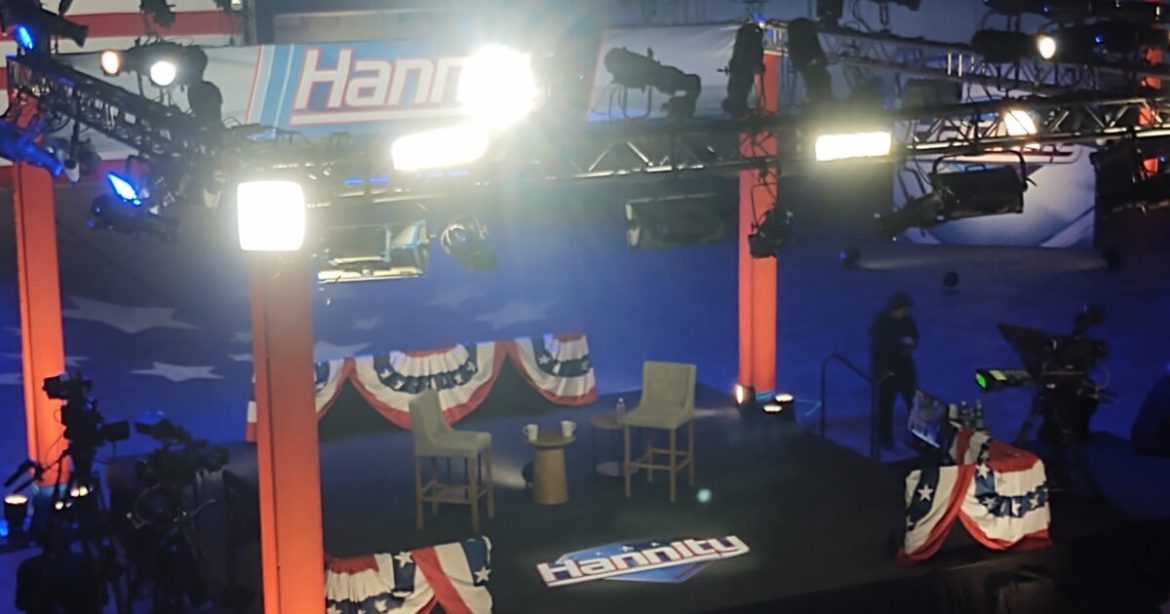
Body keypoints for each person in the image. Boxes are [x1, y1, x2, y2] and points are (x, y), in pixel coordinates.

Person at [870, 292, 919, 450]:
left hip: (904, 369)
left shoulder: (907, 320)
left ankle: (918, 436)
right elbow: (881, 348)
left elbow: (915, 336)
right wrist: (900, 343)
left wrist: (911, 343)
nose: (906, 312)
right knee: (886, 406)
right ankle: (885, 438)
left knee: (913, 403)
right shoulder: (881, 324)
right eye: (904, 309)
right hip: (887, 370)